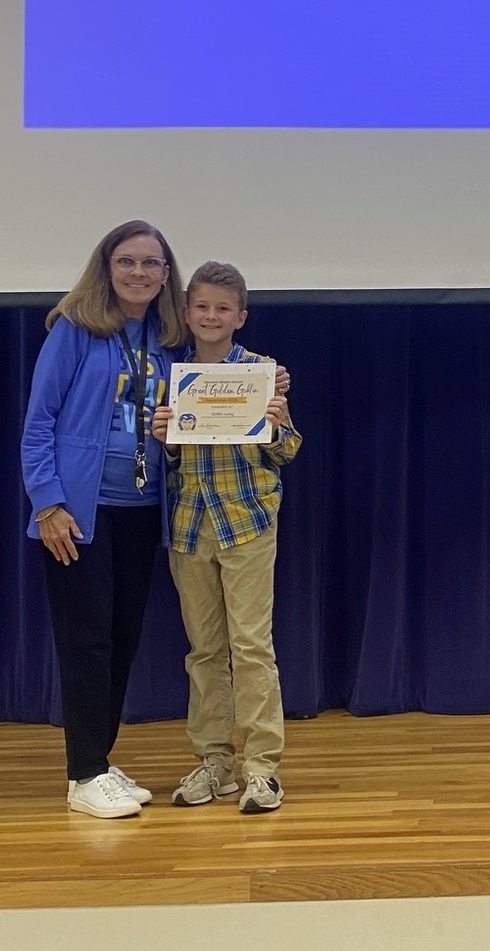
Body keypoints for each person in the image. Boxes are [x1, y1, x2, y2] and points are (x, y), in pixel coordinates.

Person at [20, 220, 187, 819]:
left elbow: (182, 427)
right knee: (85, 642)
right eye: (126, 262)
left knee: (121, 640)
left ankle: (98, 759)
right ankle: (83, 773)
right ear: (106, 267)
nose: (139, 273)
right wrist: (48, 504)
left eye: (150, 263)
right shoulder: (75, 329)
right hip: (79, 515)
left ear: (166, 274)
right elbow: (39, 421)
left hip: (143, 512)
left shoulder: (173, 340)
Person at [151, 261, 300, 814]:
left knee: (252, 647)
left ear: (240, 317)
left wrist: (278, 422)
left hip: (248, 522)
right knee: (204, 651)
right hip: (189, 526)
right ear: (187, 312)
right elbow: (165, 462)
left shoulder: (263, 373)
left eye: (222, 308)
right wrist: (165, 438)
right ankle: (215, 763)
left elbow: (284, 453)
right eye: (201, 306)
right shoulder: (172, 375)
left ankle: (262, 769)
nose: (211, 316)